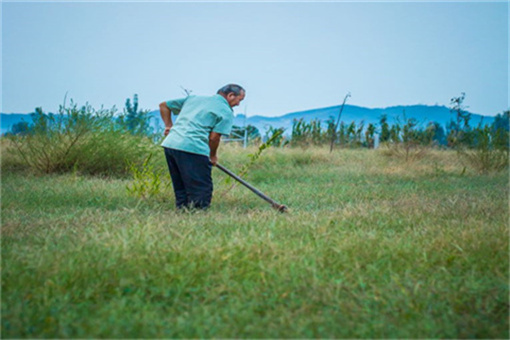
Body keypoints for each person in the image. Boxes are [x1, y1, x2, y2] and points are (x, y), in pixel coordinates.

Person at [159, 84, 246, 210]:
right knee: (200, 187)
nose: (238, 104)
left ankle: (182, 213)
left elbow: (164, 105)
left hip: (171, 145)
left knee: (181, 185)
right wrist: (212, 156)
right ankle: (198, 215)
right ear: (231, 95)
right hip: (192, 147)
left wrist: (168, 126)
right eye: (239, 100)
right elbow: (214, 138)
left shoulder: (194, 99)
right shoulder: (225, 111)